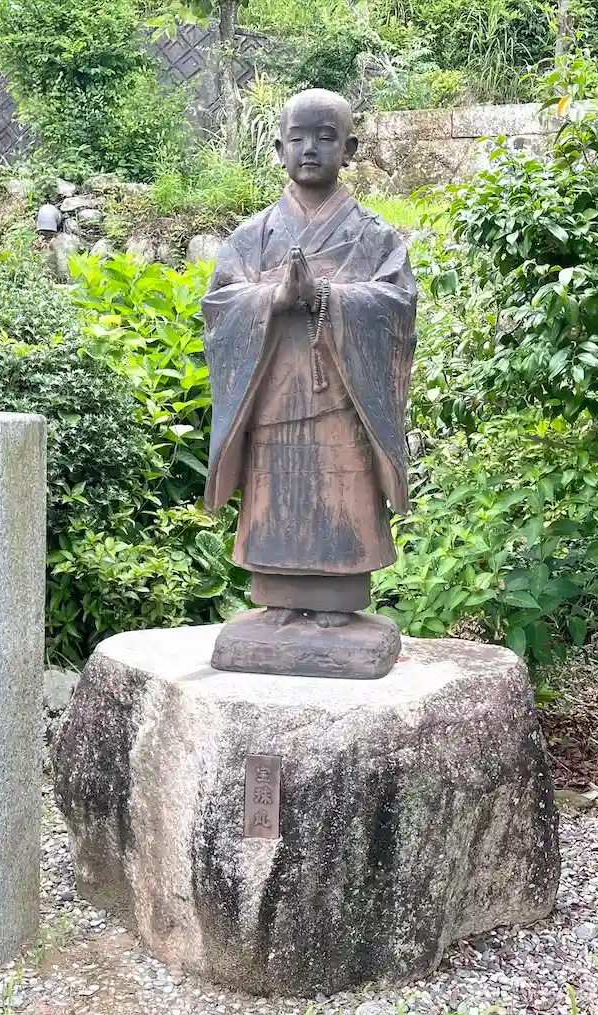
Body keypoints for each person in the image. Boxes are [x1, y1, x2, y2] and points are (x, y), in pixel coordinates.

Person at [202, 88, 417, 677]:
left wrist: (325, 295)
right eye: (297, 138)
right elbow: (220, 304)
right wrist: (273, 297)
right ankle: (276, 600)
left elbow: (397, 305)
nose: (310, 149)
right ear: (278, 148)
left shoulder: (374, 236)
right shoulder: (254, 234)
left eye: (326, 137)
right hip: (274, 393)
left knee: (340, 493)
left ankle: (336, 604)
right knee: (275, 494)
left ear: (350, 148)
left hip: (340, 397)